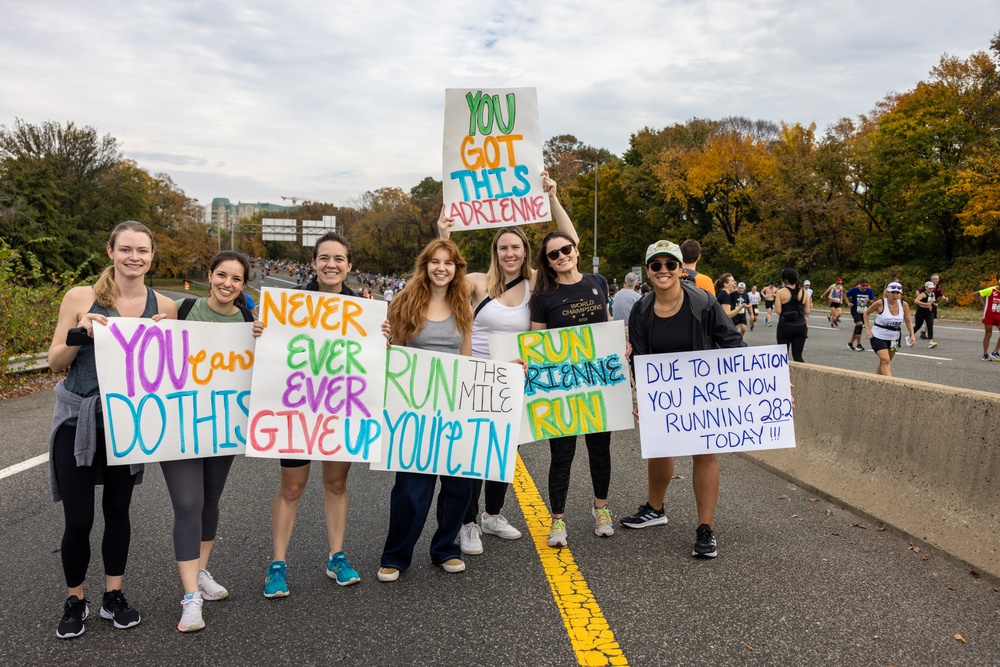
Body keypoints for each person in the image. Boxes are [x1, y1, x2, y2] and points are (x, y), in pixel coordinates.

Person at [47, 221, 177, 639]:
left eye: (142, 250)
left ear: (152, 256)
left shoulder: (166, 306)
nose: (133, 257)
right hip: (78, 419)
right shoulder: (81, 297)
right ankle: (75, 598)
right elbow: (54, 361)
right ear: (110, 251)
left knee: (118, 513)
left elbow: (174, 373)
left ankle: (113, 595)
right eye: (126, 249)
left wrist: (165, 337)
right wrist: (79, 332)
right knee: (79, 518)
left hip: (129, 423)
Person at [438, 171, 579, 556]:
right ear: (495, 252)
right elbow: (438, 273)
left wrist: (552, 196)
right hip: (475, 376)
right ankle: (467, 524)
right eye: (503, 248)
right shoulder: (478, 282)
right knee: (473, 453)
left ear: (526, 252)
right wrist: (444, 235)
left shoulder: (538, 282)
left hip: (514, 379)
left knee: (503, 450)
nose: (510, 253)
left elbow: (571, 242)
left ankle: (492, 516)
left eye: (516, 247)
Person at [621, 240, 745, 559]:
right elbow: (641, 357)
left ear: (680, 268)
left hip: (701, 392)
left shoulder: (703, 301)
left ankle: (705, 529)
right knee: (660, 448)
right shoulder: (641, 309)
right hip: (664, 394)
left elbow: (731, 341)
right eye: (656, 265)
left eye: (670, 264)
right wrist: (642, 395)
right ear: (647, 271)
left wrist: (769, 381)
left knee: (703, 453)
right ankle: (654, 508)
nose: (663, 271)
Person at [166, 251, 264, 632]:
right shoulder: (181, 308)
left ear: (243, 286)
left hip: (221, 427)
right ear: (209, 276)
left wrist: (262, 341)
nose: (227, 283)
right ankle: (190, 598)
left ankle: (201, 572)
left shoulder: (247, 320)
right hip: (179, 426)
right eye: (221, 275)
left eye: (236, 279)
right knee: (188, 502)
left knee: (209, 499)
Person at [263, 232, 362, 598]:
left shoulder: (363, 310)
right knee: (292, 487)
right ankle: (277, 564)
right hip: (297, 408)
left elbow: (371, 359)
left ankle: (337, 556)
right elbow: (272, 350)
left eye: (339, 258)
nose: (331, 264)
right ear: (314, 264)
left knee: (336, 484)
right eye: (324, 258)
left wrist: (381, 338)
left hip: (341, 408)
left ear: (349, 266)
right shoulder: (291, 304)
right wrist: (262, 331)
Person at [377, 239, 475, 582]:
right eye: (435, 261)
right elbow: (397, 355)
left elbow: (466, 359)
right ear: (426, 265)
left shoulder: (464, 307)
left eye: (448, 263)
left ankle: (446, 549)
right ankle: (395, 555)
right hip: (414, 412)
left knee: (458, 486)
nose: (441, 268)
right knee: (410, 489)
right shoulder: (405, 302)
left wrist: (505, 370)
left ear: (456, 268)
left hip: (453, 409)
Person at [529, 229, 614, 547]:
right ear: (548, 263)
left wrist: (620, 348)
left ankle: (601, 510)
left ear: (576, 251)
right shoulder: (542, 297)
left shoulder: (597, 282)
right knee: (561, 455)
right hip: (562, 390)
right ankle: (557, 521)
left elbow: (606, 325)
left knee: (600, 450)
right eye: (553, 254)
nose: (561, 255)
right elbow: (536, 343)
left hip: (598, 383)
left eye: (566, 249)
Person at [864, 281, 915, 376]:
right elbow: (866, 313)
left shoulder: (904, 305)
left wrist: (912, 335)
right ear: (887, 292)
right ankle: (891, 385)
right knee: (885, 360)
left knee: (885, 362)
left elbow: (908, 321)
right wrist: (867, 329)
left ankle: (876, 380)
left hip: (894, 337)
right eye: (893, 292)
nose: (895, 295)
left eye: (898, 293)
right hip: (878, 335)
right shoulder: (880, 303)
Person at [774, 268, 810, 362]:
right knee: (798, 356)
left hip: (785, 326)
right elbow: (806, 310)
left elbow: (778, 311)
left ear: (786, 280)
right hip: (801, 326)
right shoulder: (804, 292)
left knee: (782, 357)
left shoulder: (780, 292)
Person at [846, 278, 876, 351]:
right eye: (863, 285)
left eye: (866, 286)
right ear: (860, 284)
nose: (865, 287)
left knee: (859, 327)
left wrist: (869, 300)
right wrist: (848, 303)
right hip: (855, 310)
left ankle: (850, 343)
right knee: (859, 325)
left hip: (864, 312)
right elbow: (846, 295)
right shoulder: (854, 290)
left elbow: (873, 301)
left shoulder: (869, 291)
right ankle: (859, 345)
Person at [919, 274, 949, 339]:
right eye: (935, 279)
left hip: (933, 304)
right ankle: (914, 333)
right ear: (931, 279)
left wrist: (945, 298)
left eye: (937, 279)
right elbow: (918, 292)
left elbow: (941, 295)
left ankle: (924, 332)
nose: (936, 280)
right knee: (924, 320)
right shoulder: (927, 285)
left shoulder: (938, 287)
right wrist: (922, 300)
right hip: (926, 305)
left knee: (931, 319)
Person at [976, 284, 1000, 361]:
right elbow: (976, 294)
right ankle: (985, 354)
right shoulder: (991, 290)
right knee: (989, 334)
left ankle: (995, 352)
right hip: (989, 315)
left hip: (998, 315)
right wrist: (984, 304)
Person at [913, 281, 938, 349]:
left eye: (932, 288)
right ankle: (910, 336)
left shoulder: (933, 294)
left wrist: (933, 304)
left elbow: (931, 302)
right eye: (930, 288)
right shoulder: (923, 294)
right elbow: (916, 301)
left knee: (930, 325)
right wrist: (925, 304)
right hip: (921, 311)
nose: (931, 289)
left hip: (929, 312)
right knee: (918, 325)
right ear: (926, 288)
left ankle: (930, 342)